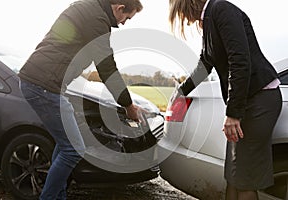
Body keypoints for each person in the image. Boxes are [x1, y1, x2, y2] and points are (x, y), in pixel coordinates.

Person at [18, 0, 144, 199]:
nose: (123, 23)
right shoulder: (97, 19)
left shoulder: (88, 8)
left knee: (64, 144)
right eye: (127, 17)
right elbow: (106, 66)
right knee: (74, 149)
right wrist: (128, 104)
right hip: (43, 86)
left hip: (45, 84)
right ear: (120, 7)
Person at [168, 0, 282, 199]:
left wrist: (233, 114)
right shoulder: (210, 18)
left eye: (179, 11)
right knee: (233, 174)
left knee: (244, 179)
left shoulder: (221, 9)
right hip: (247, 101)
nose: (183, 19)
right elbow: (206, 62)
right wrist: (182, 90)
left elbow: (239, 61)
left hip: (259, 101)